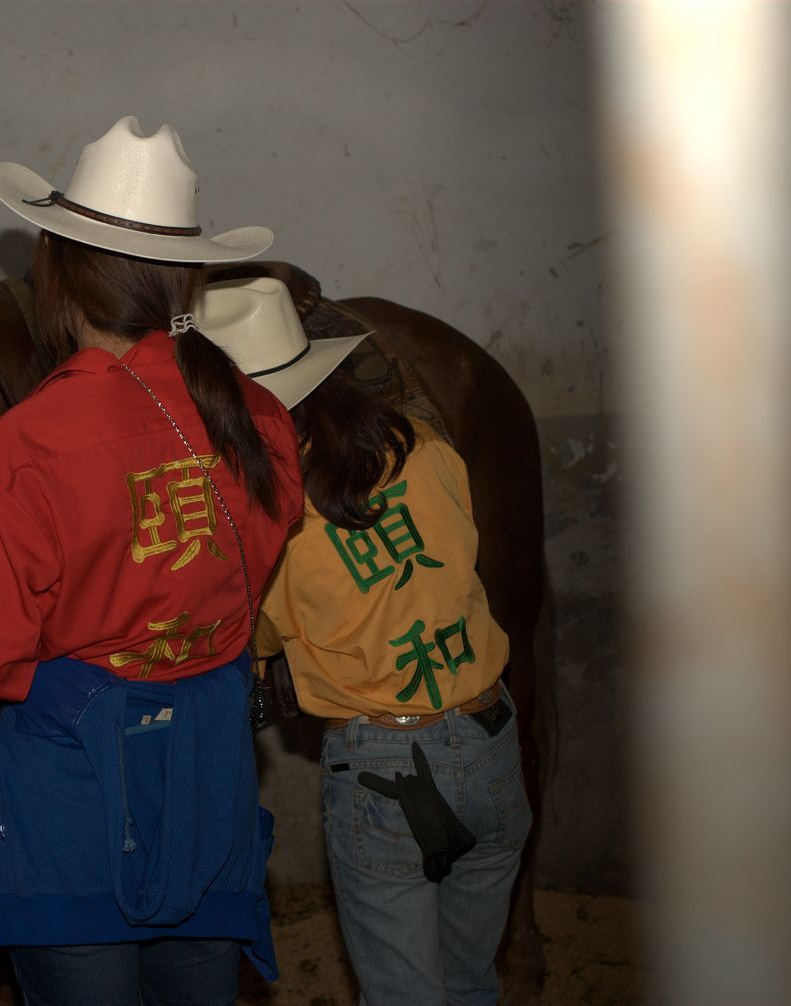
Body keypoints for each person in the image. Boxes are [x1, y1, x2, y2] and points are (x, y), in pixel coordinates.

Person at [0, 117, 304, 1006]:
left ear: (57, 274)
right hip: (207, 793)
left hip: (74, 810)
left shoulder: (30, 442)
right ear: (188, 277)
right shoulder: (258, 417)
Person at [195, 277, 533, 1006]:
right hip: (493, 741)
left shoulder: (271, 520)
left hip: (385, 772)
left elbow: (250, 636)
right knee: (472, 983)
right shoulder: (431, 450)